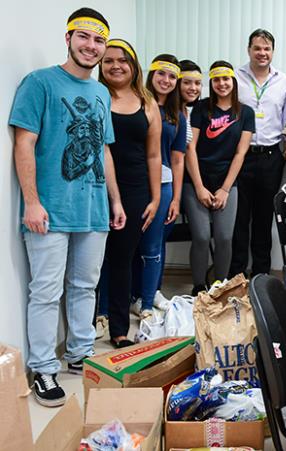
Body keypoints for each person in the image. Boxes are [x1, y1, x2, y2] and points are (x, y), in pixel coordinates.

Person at [9, 7, 125, 407]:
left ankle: (79, 354)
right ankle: (43, 369)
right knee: (45, 291)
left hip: (93, 209)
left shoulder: (99, 93)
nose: (91, 47)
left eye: (99, 41)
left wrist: (115, 199)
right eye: (84, 37)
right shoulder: (39, 82)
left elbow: (104, 150)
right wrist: (32, 202)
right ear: (69, 38)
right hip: (51, 209)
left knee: (84, 288)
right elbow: (23, 142)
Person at [97, 39, 161, 348]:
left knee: (122, 259)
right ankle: (92, 321)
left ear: (133, 65)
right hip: (95, 188)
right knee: (93, 262)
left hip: (135, 190)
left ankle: (119, 330)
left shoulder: (147, 102)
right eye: (108, 60)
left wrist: (156, 198)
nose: (115, 65)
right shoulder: (95, 96)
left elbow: (153, 156)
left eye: (122, 60)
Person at [184, 61, 254, 294]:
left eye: (226, 79)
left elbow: (240, 152)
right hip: (197, 180)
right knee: (202, 237)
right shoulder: (201, 109)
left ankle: (219, 287)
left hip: (227, 181)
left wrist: (225, 189)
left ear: (233, 81)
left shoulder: (245, 112)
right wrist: (199, 187)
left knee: (224, 237)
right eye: (216, 79)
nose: (222, 84)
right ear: (211, 83)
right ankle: (198, 287)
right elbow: (190, 148)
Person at [231, 29, 286, 279]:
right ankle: (236, 274)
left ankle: (260, 275)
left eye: (266, 49)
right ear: (249, 50)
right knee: (238, 218)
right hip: (240, 157)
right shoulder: (235, 77)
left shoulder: (284, 82)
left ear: (272, 51)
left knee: (263, 218)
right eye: (257, 48)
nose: (262, 53)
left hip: (270, 158)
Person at [130, 55, 187, 319]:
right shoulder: (137, 105)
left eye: (172, 76)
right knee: (132, 243)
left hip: (164, 187)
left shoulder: (178, 115)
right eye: (161, 74)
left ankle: (149, 296)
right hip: (134, 182)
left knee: (155, 245)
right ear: (150, 75)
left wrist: (176, 198)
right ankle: (131, 295)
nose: (166, 80)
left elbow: (177, 158)